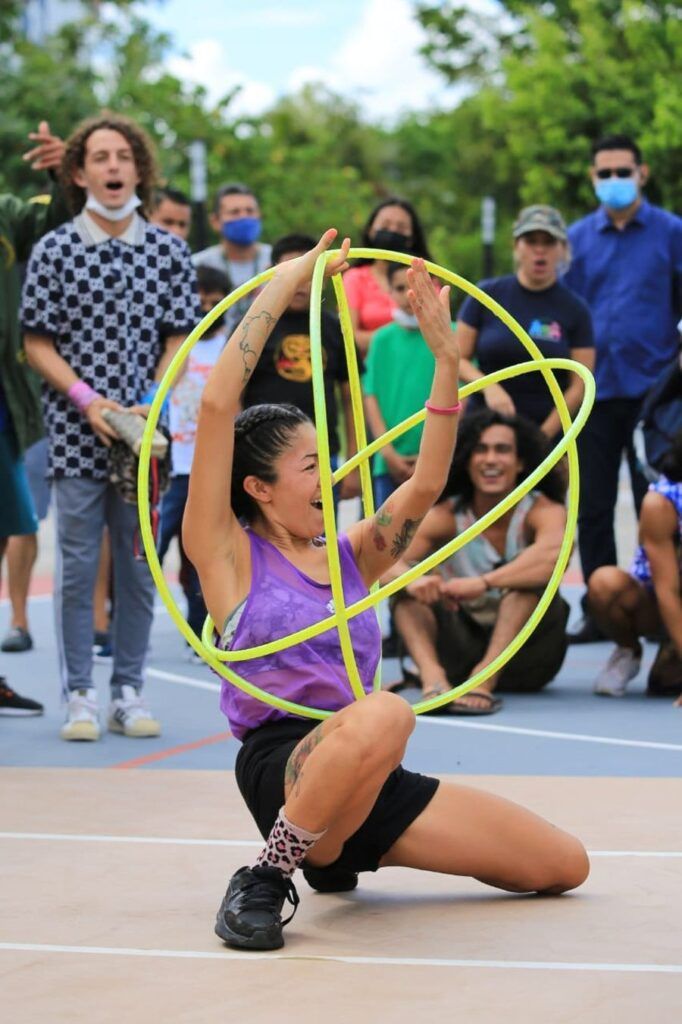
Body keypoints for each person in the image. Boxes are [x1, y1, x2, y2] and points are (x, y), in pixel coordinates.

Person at [182, 229, 589, 952]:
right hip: (286, 763)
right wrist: (285, 284)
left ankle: (328, 853)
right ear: (259, 489)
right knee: (387, 711)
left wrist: (445, 360)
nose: (331, 473)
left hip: (365, 776)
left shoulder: (352, 553)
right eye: (310, 466)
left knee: (563, 865)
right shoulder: (226, 557)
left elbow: (428, 481)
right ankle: (269, 875)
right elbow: (217, 407)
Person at [21, 112, 201, 741]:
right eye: (99, 157)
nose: (113, 166)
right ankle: (79, 695)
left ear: (140, 169)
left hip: (146, 440)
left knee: (138, 565)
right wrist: (87, 400)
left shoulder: (169, 250)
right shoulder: (54, 248)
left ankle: (128, 689)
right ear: (78, 171)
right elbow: (35, 342)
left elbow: (181, 334)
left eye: (123, 155)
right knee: (75, 566)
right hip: (75, 434)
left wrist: (150, 399)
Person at [563, 134, 682, 643]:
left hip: (653, 392)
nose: (613, 180)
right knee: (591, 503)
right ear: (592, 177)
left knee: (654, 498)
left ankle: (661, 602)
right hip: (592, 387)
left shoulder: (671, 231)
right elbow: (567, 310)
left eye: (622, 170)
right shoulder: (577, 237)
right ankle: (599, 605)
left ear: (643, 172)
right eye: (604, 172)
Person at [388, 410, 569, 714]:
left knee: (525, 588)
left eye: (502, 450)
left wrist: (484, 583)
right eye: (480, 450)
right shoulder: (448, 514)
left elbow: (553, 558)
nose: (490, 460)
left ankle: (484, 681)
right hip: (461, 652)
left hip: (530, 656)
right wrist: (414, 580)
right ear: (466, 460)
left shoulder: (543, 509)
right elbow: (382, 559)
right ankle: (433, 680)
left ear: (521, 462)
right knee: (403, 594)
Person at [0, 119, 68, 710]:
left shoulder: (8, 214)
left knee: (13, 524)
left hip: (8, 403)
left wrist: (60, 168)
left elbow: (60, 223)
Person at [455, 205, 595, 439]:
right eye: (531, 241)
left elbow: (580, 384)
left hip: (546, 432)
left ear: (562, 249)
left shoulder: (575, 309)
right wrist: (489, 387)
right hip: (484, 429)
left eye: (549, 242)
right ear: (516, 246)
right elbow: (457, 358)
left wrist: (543, 436)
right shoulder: (486, 294)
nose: (539, 251)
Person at [242, 232, 360, 505]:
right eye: (293, 272)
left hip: (322, 454)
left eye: (309, 272)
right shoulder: (257, 324)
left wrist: (353, 461)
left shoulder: (333, 327)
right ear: (274, 274)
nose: (302, 283)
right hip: (262, 456)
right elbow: (234, 394)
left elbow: (350, 396)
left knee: (321, 537)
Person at [158, 264, 232, 639]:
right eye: (199, 302)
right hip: (174, 466)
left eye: (215, 303)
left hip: (211, 468)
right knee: (154, 545)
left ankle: (203, 624)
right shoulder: (174, 345)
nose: (207, 309)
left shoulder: (230, 345)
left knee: (206, 553)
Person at [588, 430, 682, 699]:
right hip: (659, 601)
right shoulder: (662, 501)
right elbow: (668, 590)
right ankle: (629, 649)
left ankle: (671, 656)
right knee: (605, 584)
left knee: (666, 681)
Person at [363, 262, 442, 508]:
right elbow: (370, 395)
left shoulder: (449, 334)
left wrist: (434, 455)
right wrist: (386, 452)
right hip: (389, 463)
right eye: (400, 288)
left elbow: (464, 395)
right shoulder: (381, 339)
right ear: (390, 291)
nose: (410, 296)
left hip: (439, 460)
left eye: (418, 287)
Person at [343, 197, 433, 355]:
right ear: (371, 230)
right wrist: (400, 336)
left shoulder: (425, 277)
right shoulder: (354, 278)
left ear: (412, 237)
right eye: (385, 225)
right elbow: (349, 338)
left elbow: (438, 330)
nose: (392, 231)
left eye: (401, 227)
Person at [193, 183, 271, 331]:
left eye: (250, 211)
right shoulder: (197, 265)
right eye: (235, 212)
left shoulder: (278, 262)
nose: (244, 217)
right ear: (215, 221)